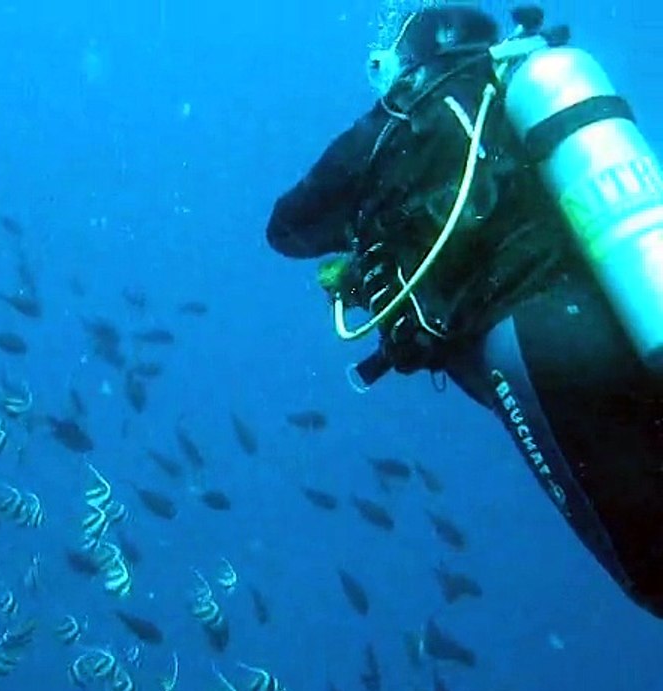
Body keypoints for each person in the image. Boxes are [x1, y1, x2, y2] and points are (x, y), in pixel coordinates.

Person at [266, 4, 663, 618]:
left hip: (532, 348)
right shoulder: (516, 85)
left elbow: (286, 229)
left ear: (409, 58)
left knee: (655, 574)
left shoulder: (392, 122)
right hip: (622, 309)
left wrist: (364, 229)